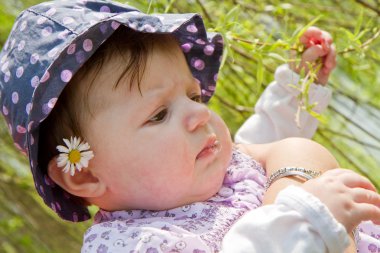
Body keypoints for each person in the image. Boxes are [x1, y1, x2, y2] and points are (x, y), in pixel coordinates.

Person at [0, 1, 379, 252]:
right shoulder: (133, 243)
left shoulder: (215, 169)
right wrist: (306, 216)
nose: (200, 115)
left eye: (194, 96)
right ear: (83, 174)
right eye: (158, 114)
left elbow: (262, 138)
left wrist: (299, 85)